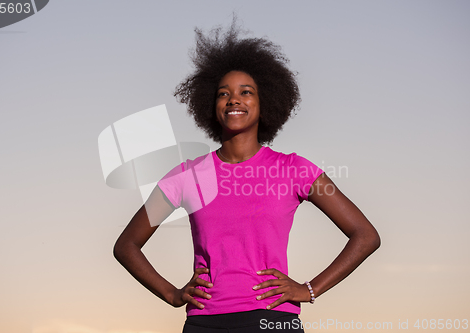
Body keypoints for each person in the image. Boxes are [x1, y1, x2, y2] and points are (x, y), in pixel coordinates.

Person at [113, 20, 380, 333]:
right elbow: (127, 245)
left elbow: (365, 235)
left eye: (246, 92)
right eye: (224, 93)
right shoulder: (187, 177)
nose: (234, 99)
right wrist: (173, 294)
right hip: (204, 324)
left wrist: (308, 290)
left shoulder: (294, 170)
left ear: (263, 102)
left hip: (273, 320)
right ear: (211, 106)